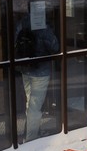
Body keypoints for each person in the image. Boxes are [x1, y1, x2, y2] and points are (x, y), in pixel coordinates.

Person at [17, 14, 60, 142]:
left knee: (30, 103)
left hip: (25, 69)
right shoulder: (42, 25)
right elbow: (55, 46)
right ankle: (31, 138)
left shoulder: (23, 22)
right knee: (35, 106)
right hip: (40, 72)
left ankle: (32, 131)